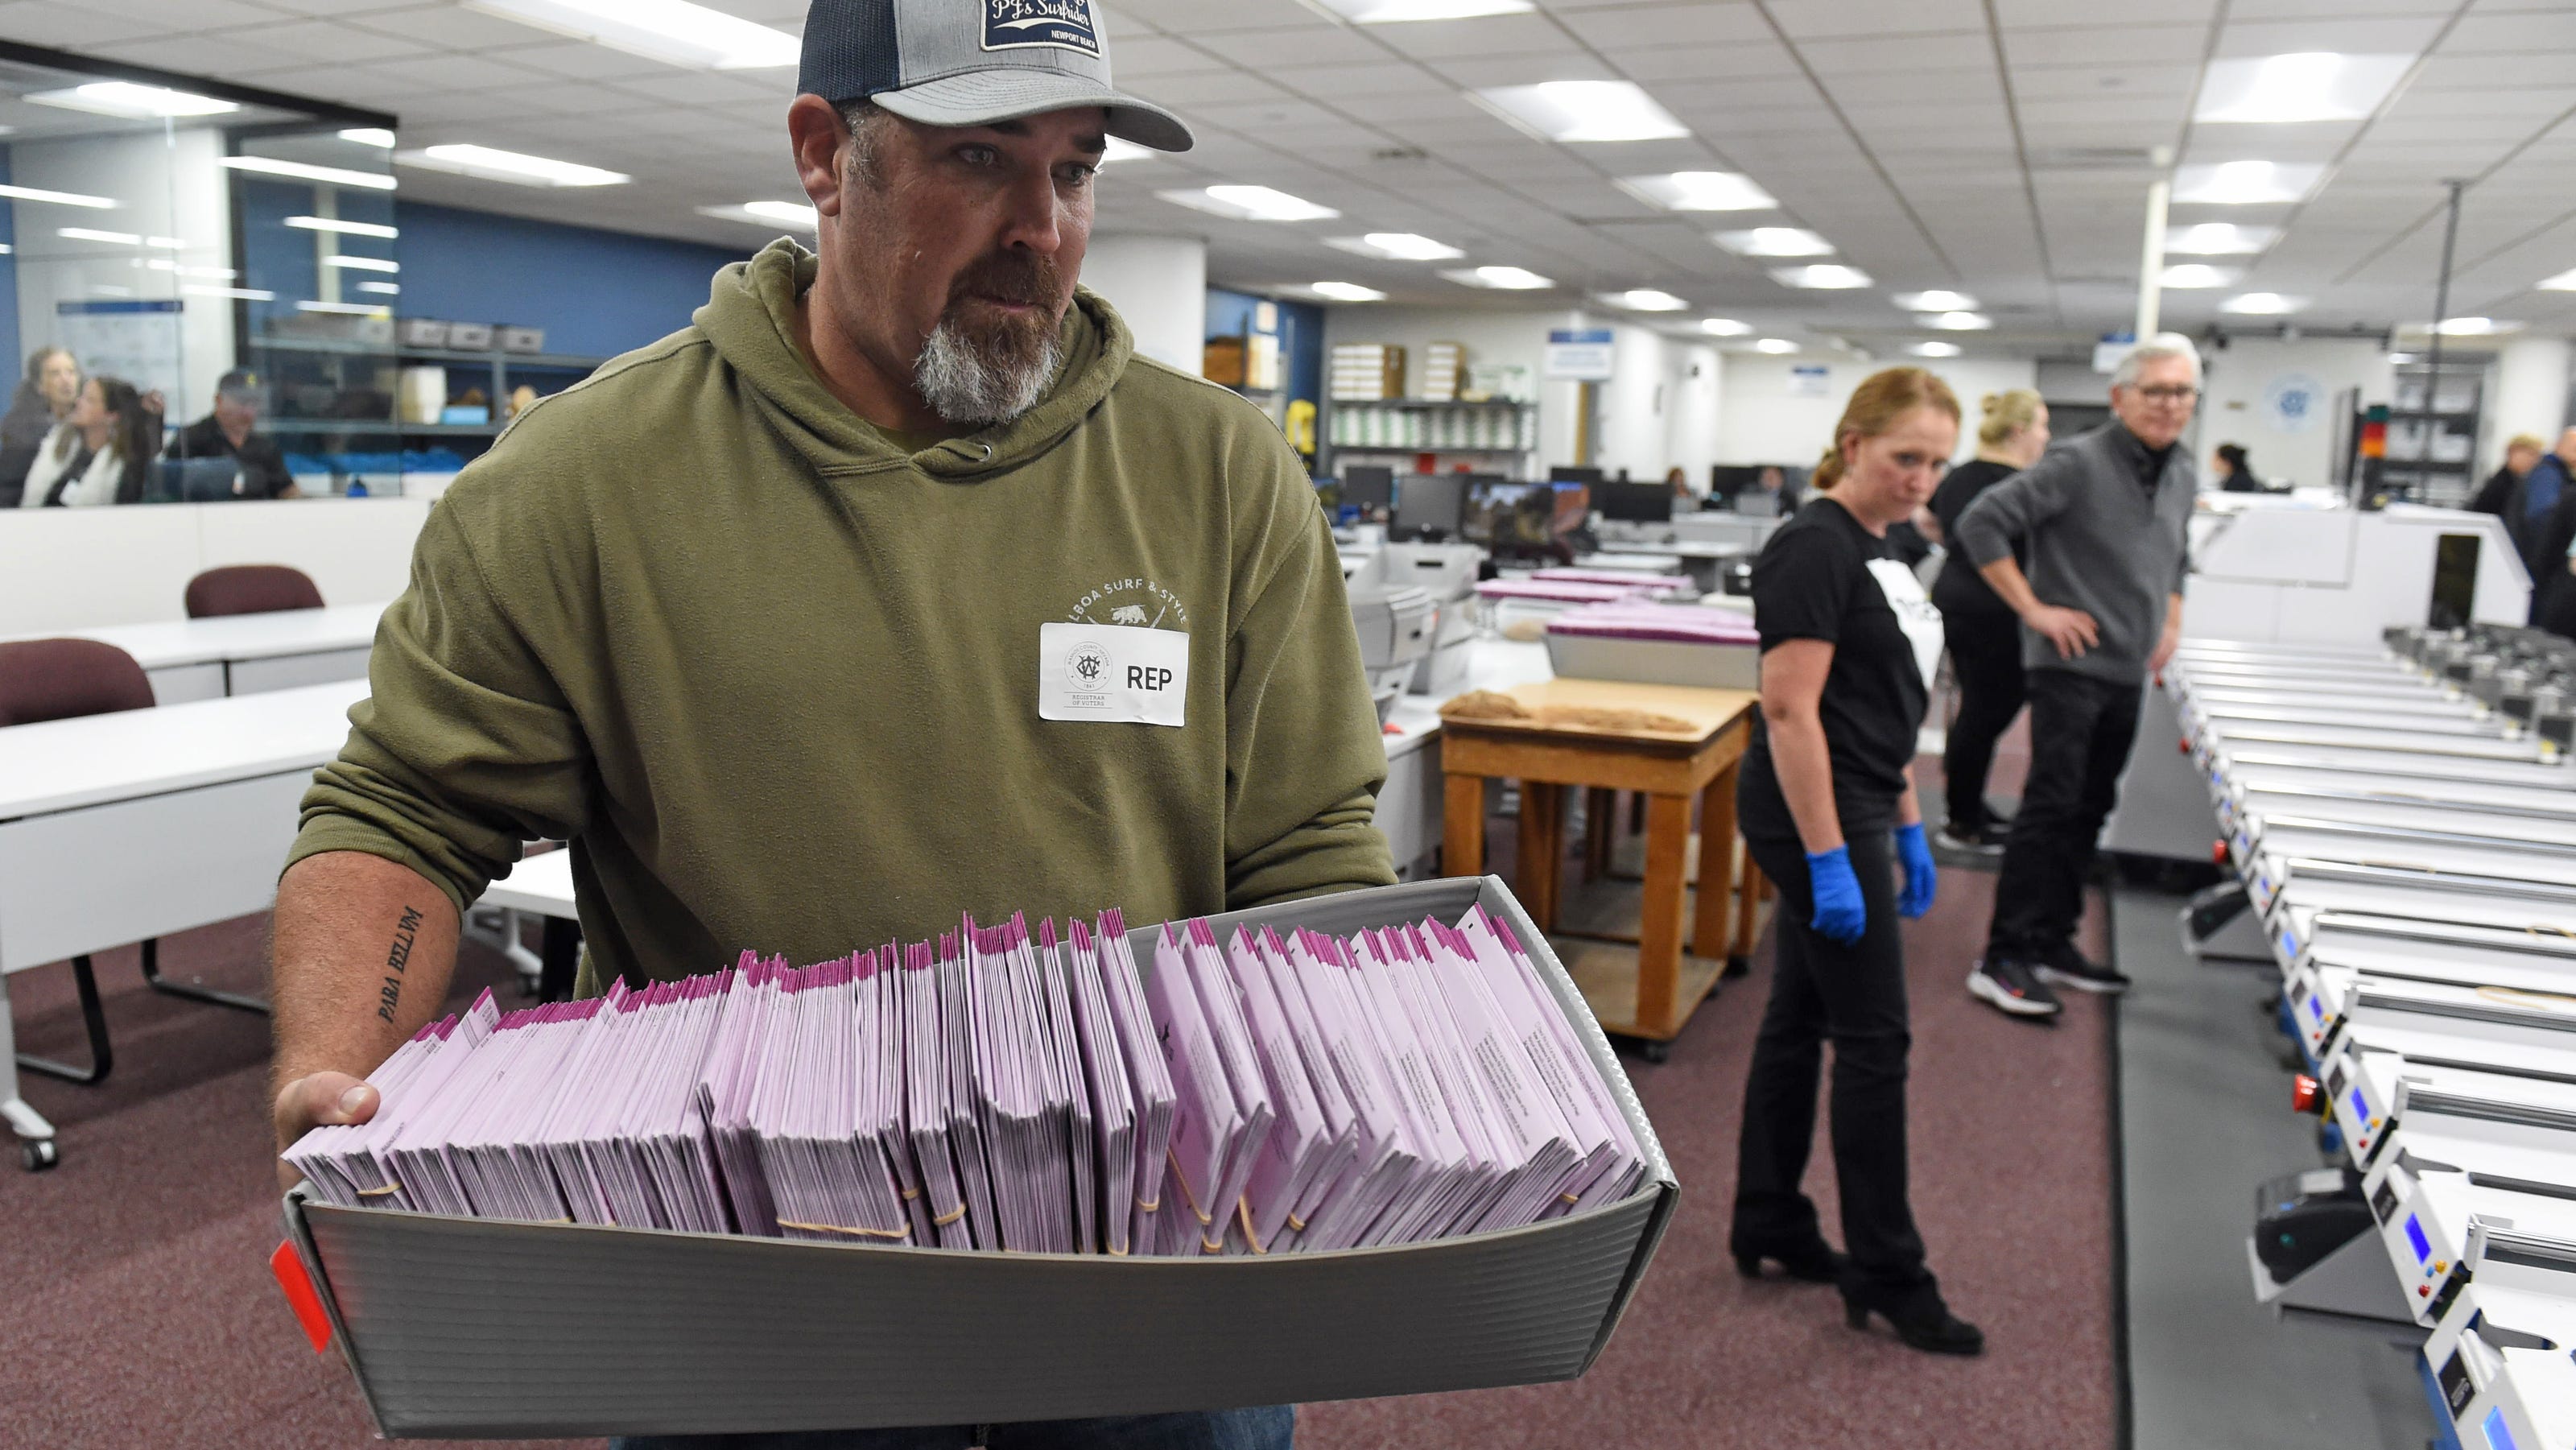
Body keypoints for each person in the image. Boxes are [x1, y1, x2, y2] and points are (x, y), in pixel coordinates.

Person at [267, 5, 1384, 1448]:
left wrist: (1357, 1121)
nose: (1039, 227)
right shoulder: (585, 483)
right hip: (755, 1298)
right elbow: (407, 810)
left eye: (1077, 167)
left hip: (1157, 1282)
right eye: (979, 157)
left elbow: (1307, 843)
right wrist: (331, 1072)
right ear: (822, 154)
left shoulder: (1225, 473)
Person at [1731, 366, 1980, 1357]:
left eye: (1935, 461)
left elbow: (1881, 699)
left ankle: (1768, 1217)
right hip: (1814, 813)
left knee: (1801, 1016)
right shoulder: (1812, 545)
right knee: (1875, 1039)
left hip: (1866, 800)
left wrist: (1909, 811)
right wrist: (1833, 857)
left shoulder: (1887, 548)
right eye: (1903, 457)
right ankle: (1888, 1272)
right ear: (1850, 446)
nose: (1921, 477)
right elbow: (1790, 711)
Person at [1952, 337, 2200, 1018]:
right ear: (2121, 398)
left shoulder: (2183, 471)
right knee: (2050, 807)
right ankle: (2002, 956)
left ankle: (2053, 939)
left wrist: (2170, 621)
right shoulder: (2077, 462)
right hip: (2068, 667)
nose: (2169, 405)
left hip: (2126, 668)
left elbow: (2176, 556)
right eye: (2155, 390)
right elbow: (1981, 524)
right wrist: (2033, 608)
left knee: (2091, 810)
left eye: (2181, 392)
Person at [1927, 389, 2050, 853]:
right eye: (2040, 425)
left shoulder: (1960, 476)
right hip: (1990, 608)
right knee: (1986, 711)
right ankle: (1963, 819)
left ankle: (1968, 804)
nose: (2045, 436)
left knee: (1977, 709)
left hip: (1960, 601)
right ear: (2017, 432)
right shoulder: (2011, 484)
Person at [18, 374, 151, 508]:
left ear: (111, 416)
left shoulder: (124, 467)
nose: (78, 402)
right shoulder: (60, 445)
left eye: (89, 400)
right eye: (82, 396)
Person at [167, 368, 299, 498]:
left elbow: (286, 489)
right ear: (219, 400)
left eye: (255, 403)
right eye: (242, 402)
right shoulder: (191, 439)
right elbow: (172, 492)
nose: (249, 412)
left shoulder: (264, 447)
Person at [0, 345, 80, 506]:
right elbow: (9, 490)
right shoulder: (21, 431)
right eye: (55, 373)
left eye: (71, 372)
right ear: (40, 385)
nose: (66, 379)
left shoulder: (93, 425)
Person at [2470, 433, 2545, 520]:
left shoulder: (2517, 482)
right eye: (2531, 454)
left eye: (2537, 456)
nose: (2534, 460)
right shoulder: (2500, 485)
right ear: (2513, 452)